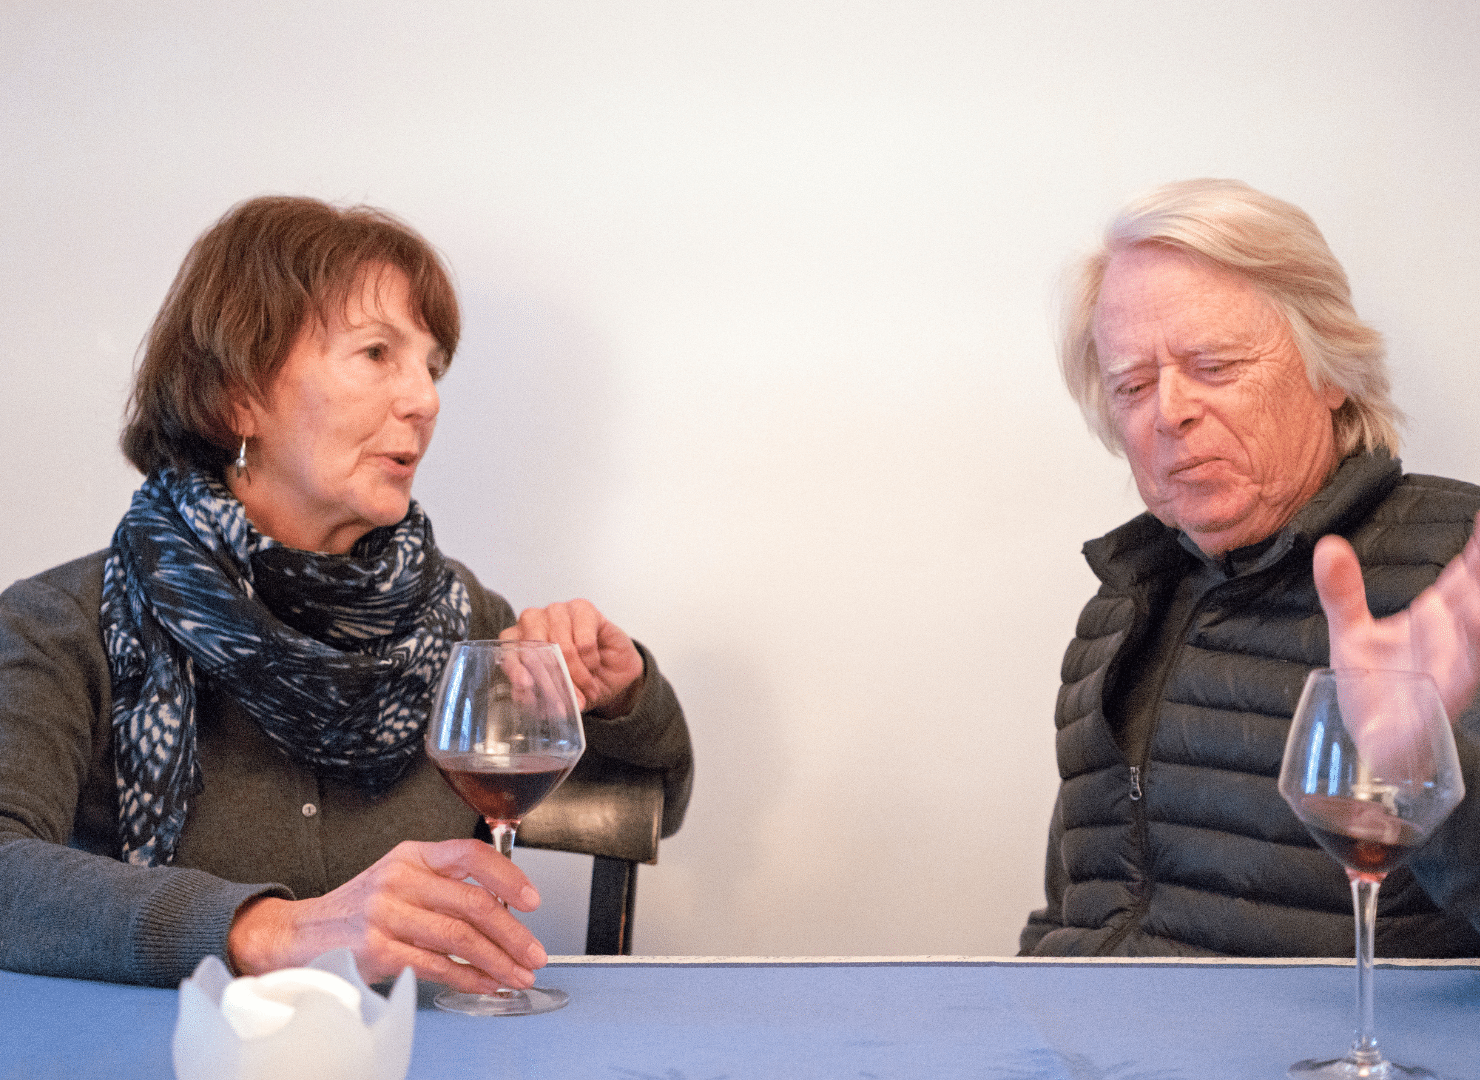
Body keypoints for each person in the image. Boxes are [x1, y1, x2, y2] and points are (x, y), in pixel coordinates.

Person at [0, 196, 693, 989]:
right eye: (375, 354)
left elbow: (646, 804)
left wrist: (620, 698)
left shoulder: (467, 624)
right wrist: (268, 931)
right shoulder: (62, 625)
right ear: (239, 396)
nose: (425, 400)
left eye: (430, 368)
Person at [1020, 178, 1480, 957]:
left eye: (1215, 365)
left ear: (1329, 369)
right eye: (1133, 385)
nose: (1170, 411)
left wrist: (1423, 773)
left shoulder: (1459, 578)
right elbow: (1076, 916)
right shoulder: (1119, 605)